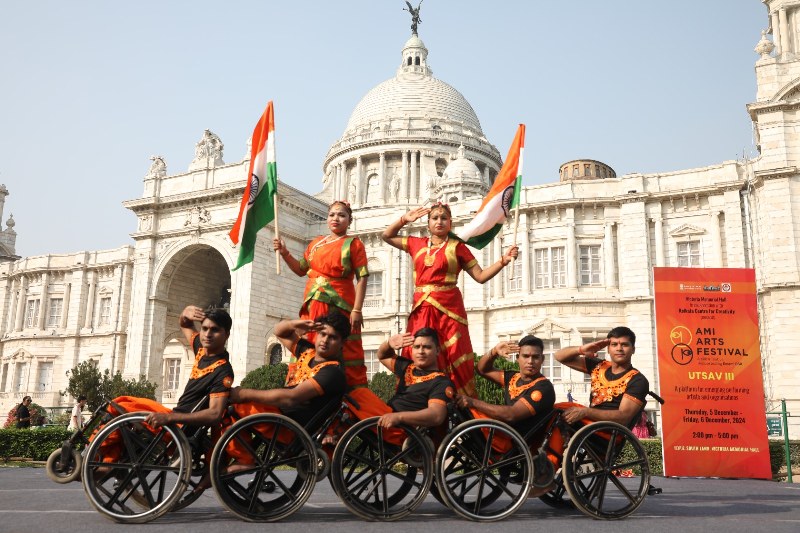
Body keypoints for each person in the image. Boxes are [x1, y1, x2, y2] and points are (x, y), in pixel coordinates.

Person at [382, 202, 518, 396]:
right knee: (418, 349)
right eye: (435, 218)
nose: (439, 221)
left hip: (450, 310)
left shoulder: (457, 247)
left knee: (454, 353)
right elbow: (387, 236)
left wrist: (503, 261)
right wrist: (405, 219)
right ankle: (415, 395)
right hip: (422, 308)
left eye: (444, 218)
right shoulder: (415, 243)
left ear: (451, 223)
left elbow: (480, 276)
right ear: (428, 223)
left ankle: (456, 399)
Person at [273, 200, 369, 389]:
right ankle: (301, 383)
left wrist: (357, 309)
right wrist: (285, 253)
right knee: (310, 341)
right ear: (327, 219)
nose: (336, 219)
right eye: (332, 214)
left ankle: (352, 392)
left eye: (341, 215)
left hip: (340, 303)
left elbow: (363, 276)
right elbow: (301, 270)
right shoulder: (316, 243)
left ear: (349, 220)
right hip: (312, 303)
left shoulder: (354, 244)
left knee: (341, 344)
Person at [229, 312, 349, 426]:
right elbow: (279, 332)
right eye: (322, 334)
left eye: (332, 337)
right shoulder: (308, 352)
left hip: (289, 426)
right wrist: (294, 324)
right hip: (279, 416)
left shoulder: (332, 372)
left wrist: (244, 394)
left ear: (342, 343)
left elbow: (291, 397)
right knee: (230, 409)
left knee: (236, 409)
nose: (325, 340)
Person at [456, 336, 555, 438]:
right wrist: (494, 351)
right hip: (504, 434)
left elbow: (511, 415)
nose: (530, 361)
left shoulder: (544, 387)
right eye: (525, 356)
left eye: (535, 357)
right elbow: (482, 370)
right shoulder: (513, 377)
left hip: (515, 443)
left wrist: (472, 402)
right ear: (517, 358)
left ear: (542, 359)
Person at [554, 326, 649, 426]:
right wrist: (581, 349)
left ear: (633, 349)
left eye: (624, 345)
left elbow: (623, 417)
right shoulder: (599, 366)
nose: (619, 348)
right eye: (614, 344)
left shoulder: (637, 380)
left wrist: (586, 412)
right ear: (608, 349)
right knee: (554, 412)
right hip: (587, 427)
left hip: (607, 433)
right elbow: (559, 356)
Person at [374, 328, 455, 429]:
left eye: (427, 347)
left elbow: (436, 415)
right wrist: (388, 343)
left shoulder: (441, 382)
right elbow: (383, 356)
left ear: (437, 351)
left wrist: (399, 417)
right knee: (357, 398)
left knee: (360, 396)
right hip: (384, 419)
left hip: (404, 431)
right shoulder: (406, 366)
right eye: (417, 347)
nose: (421, 351)